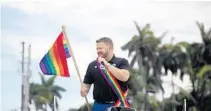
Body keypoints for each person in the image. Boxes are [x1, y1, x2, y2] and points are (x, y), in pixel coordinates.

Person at [80, 37, 131, 111]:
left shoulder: (122, 62)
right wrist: (83, 91)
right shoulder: (92, 65)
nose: (98, 51)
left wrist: (107, 65)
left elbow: (125, 77)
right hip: (98, 106)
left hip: (118, 105)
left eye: (100, 48)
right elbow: (86, 86)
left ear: (109, 48)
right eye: (97, 49)